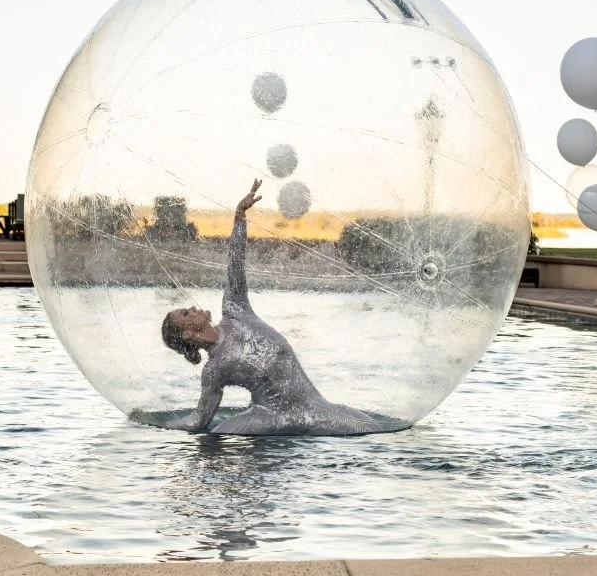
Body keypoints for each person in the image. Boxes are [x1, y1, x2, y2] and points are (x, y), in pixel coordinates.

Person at [136, 179, 407, 437]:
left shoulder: (236, 310)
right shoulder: (214, 370)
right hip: (269, 417)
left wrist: (239, 218)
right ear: (187, 334)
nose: (191, 308)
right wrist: (152, 422)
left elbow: (235, 265)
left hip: (314, 409)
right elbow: (199, 421)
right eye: (185, 313)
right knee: (218, 434)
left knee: (368, 428)